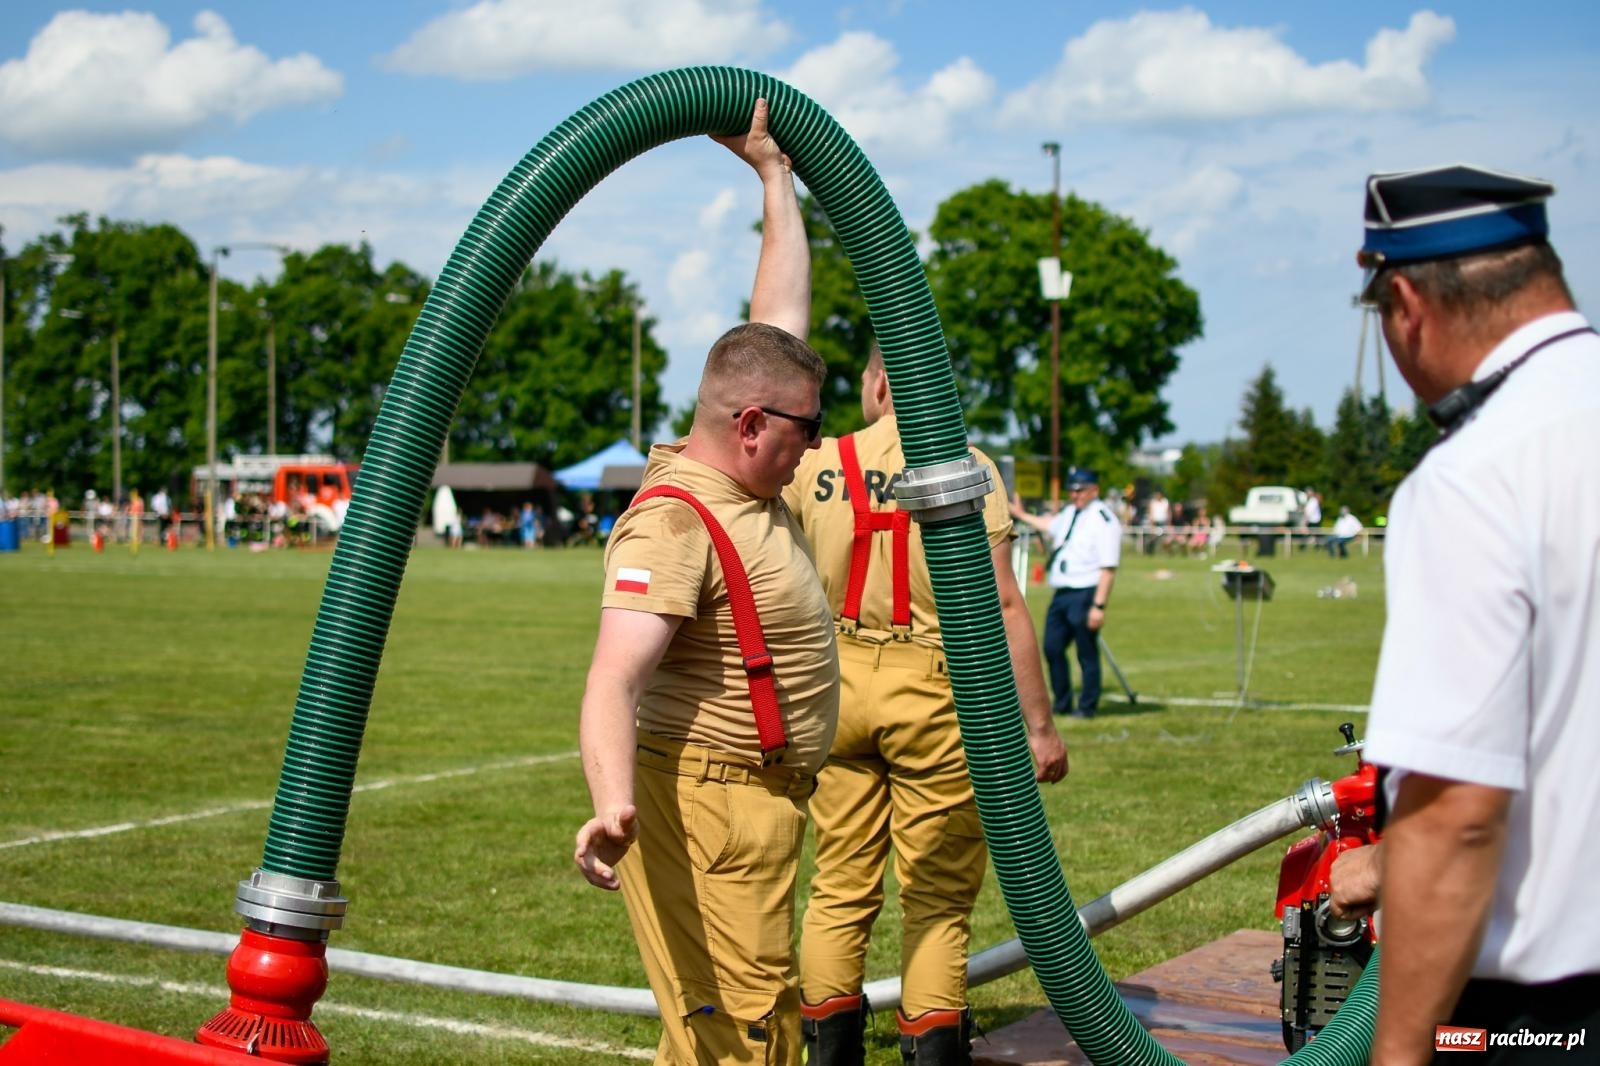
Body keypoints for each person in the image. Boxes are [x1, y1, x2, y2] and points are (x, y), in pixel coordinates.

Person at [572, 98, 838, 1066]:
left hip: (756, 801)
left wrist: (773, 177)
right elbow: (612, 679)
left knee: (732, 1024)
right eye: (809, 426)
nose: (821, 442)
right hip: (713, 802)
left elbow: (779, 323)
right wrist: (609, 804)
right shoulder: (679, 515)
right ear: (756, 424)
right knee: (742, 1034)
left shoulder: (749, 468)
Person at [1344, 164, 1600, 1062]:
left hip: (1551, 1010)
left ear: (1405, 303)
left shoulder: (1476, 477)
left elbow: (1460, 809)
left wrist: (1404, 1048)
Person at [785, 346, 1067, 1065]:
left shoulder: (819, 461)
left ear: (877, 383)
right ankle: (933, 1049)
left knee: (839, 884)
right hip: (935, 692)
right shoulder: (971, 467)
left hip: (836, 685)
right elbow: (1005, 603)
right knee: (938, 897)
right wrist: (1039, 726)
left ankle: (828, 1050)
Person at [1011, 468, 1121, 718]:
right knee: (1052, 647)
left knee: (1086, 652)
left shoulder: (1104, 519)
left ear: (1094, 490)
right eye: (1072, 490)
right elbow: (1050, 525)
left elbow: (1108, 568)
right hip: (1062, 592)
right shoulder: (1071, 512)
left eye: (1080, 490)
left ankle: (1087, 706)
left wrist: (1099, 606)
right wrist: (1021, 514)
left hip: (1085, 591)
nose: (1075, 494)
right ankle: (1062, 702)